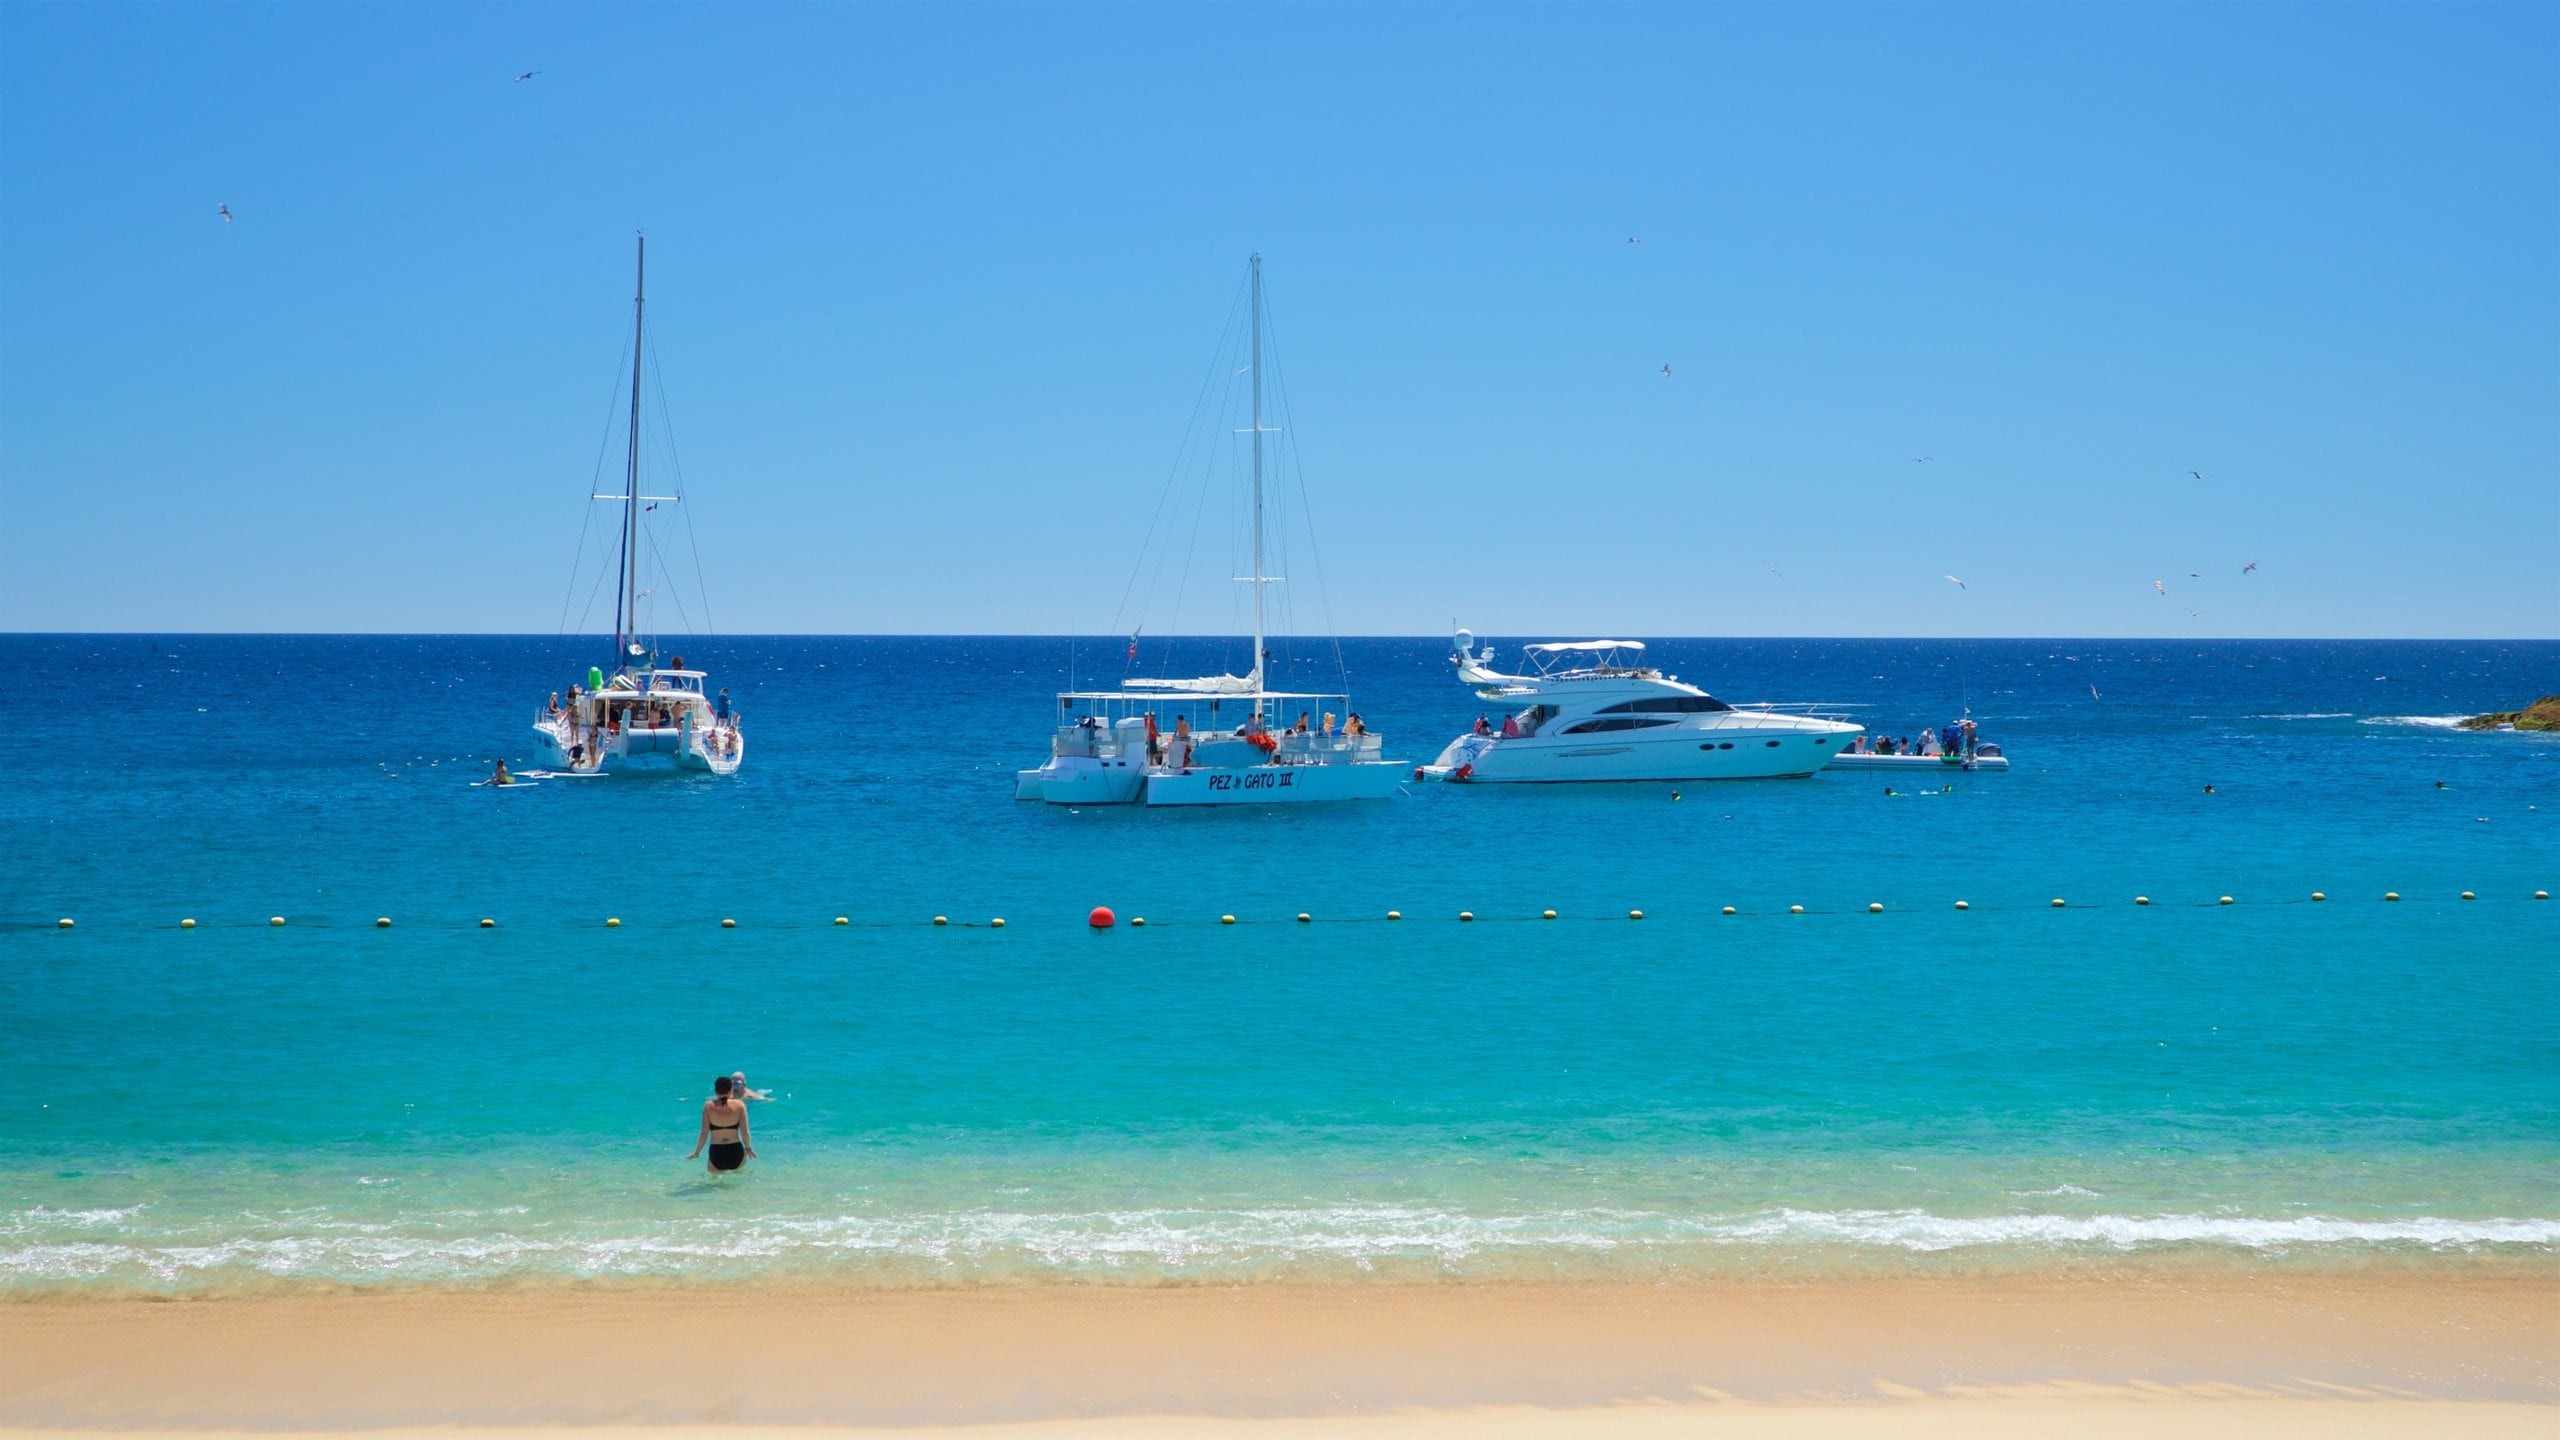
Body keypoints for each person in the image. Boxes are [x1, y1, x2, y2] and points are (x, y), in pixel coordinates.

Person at [689, 1075, 754, 1174]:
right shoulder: (740, 1105)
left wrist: (697, 1152)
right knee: (738, 1184)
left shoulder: (708, 1106)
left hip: (716, 1152)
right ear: (731, 1089)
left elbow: (704, 1134)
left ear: (716, 1090)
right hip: (736, 1151)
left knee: (714, 1184)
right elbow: (745, 1132)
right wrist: (748, 1147)